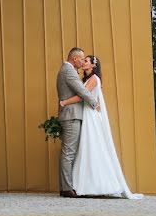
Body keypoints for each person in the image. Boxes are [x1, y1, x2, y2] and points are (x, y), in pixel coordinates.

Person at [63, 55, 142, 199]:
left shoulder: (94, 79)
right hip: (87, 114)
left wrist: (64, 102)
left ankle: (96, 185)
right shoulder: (88, 80)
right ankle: (86, 184)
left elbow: (82, 96)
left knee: (91, 146)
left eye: (86, 61)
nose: (83, 63)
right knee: (86, 148)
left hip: (91, 116)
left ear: (93, 65)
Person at [56, 47, 99, 198]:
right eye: (81, 59)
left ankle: (67, 186)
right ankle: (66, 188)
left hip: (71, 115)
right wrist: (95, 102)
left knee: (69, 152)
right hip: (71, 116)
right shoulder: (68, 71)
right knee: (68, 153)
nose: (82, 62)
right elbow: (81, 91)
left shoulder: (68, 70)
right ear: (74, 59)